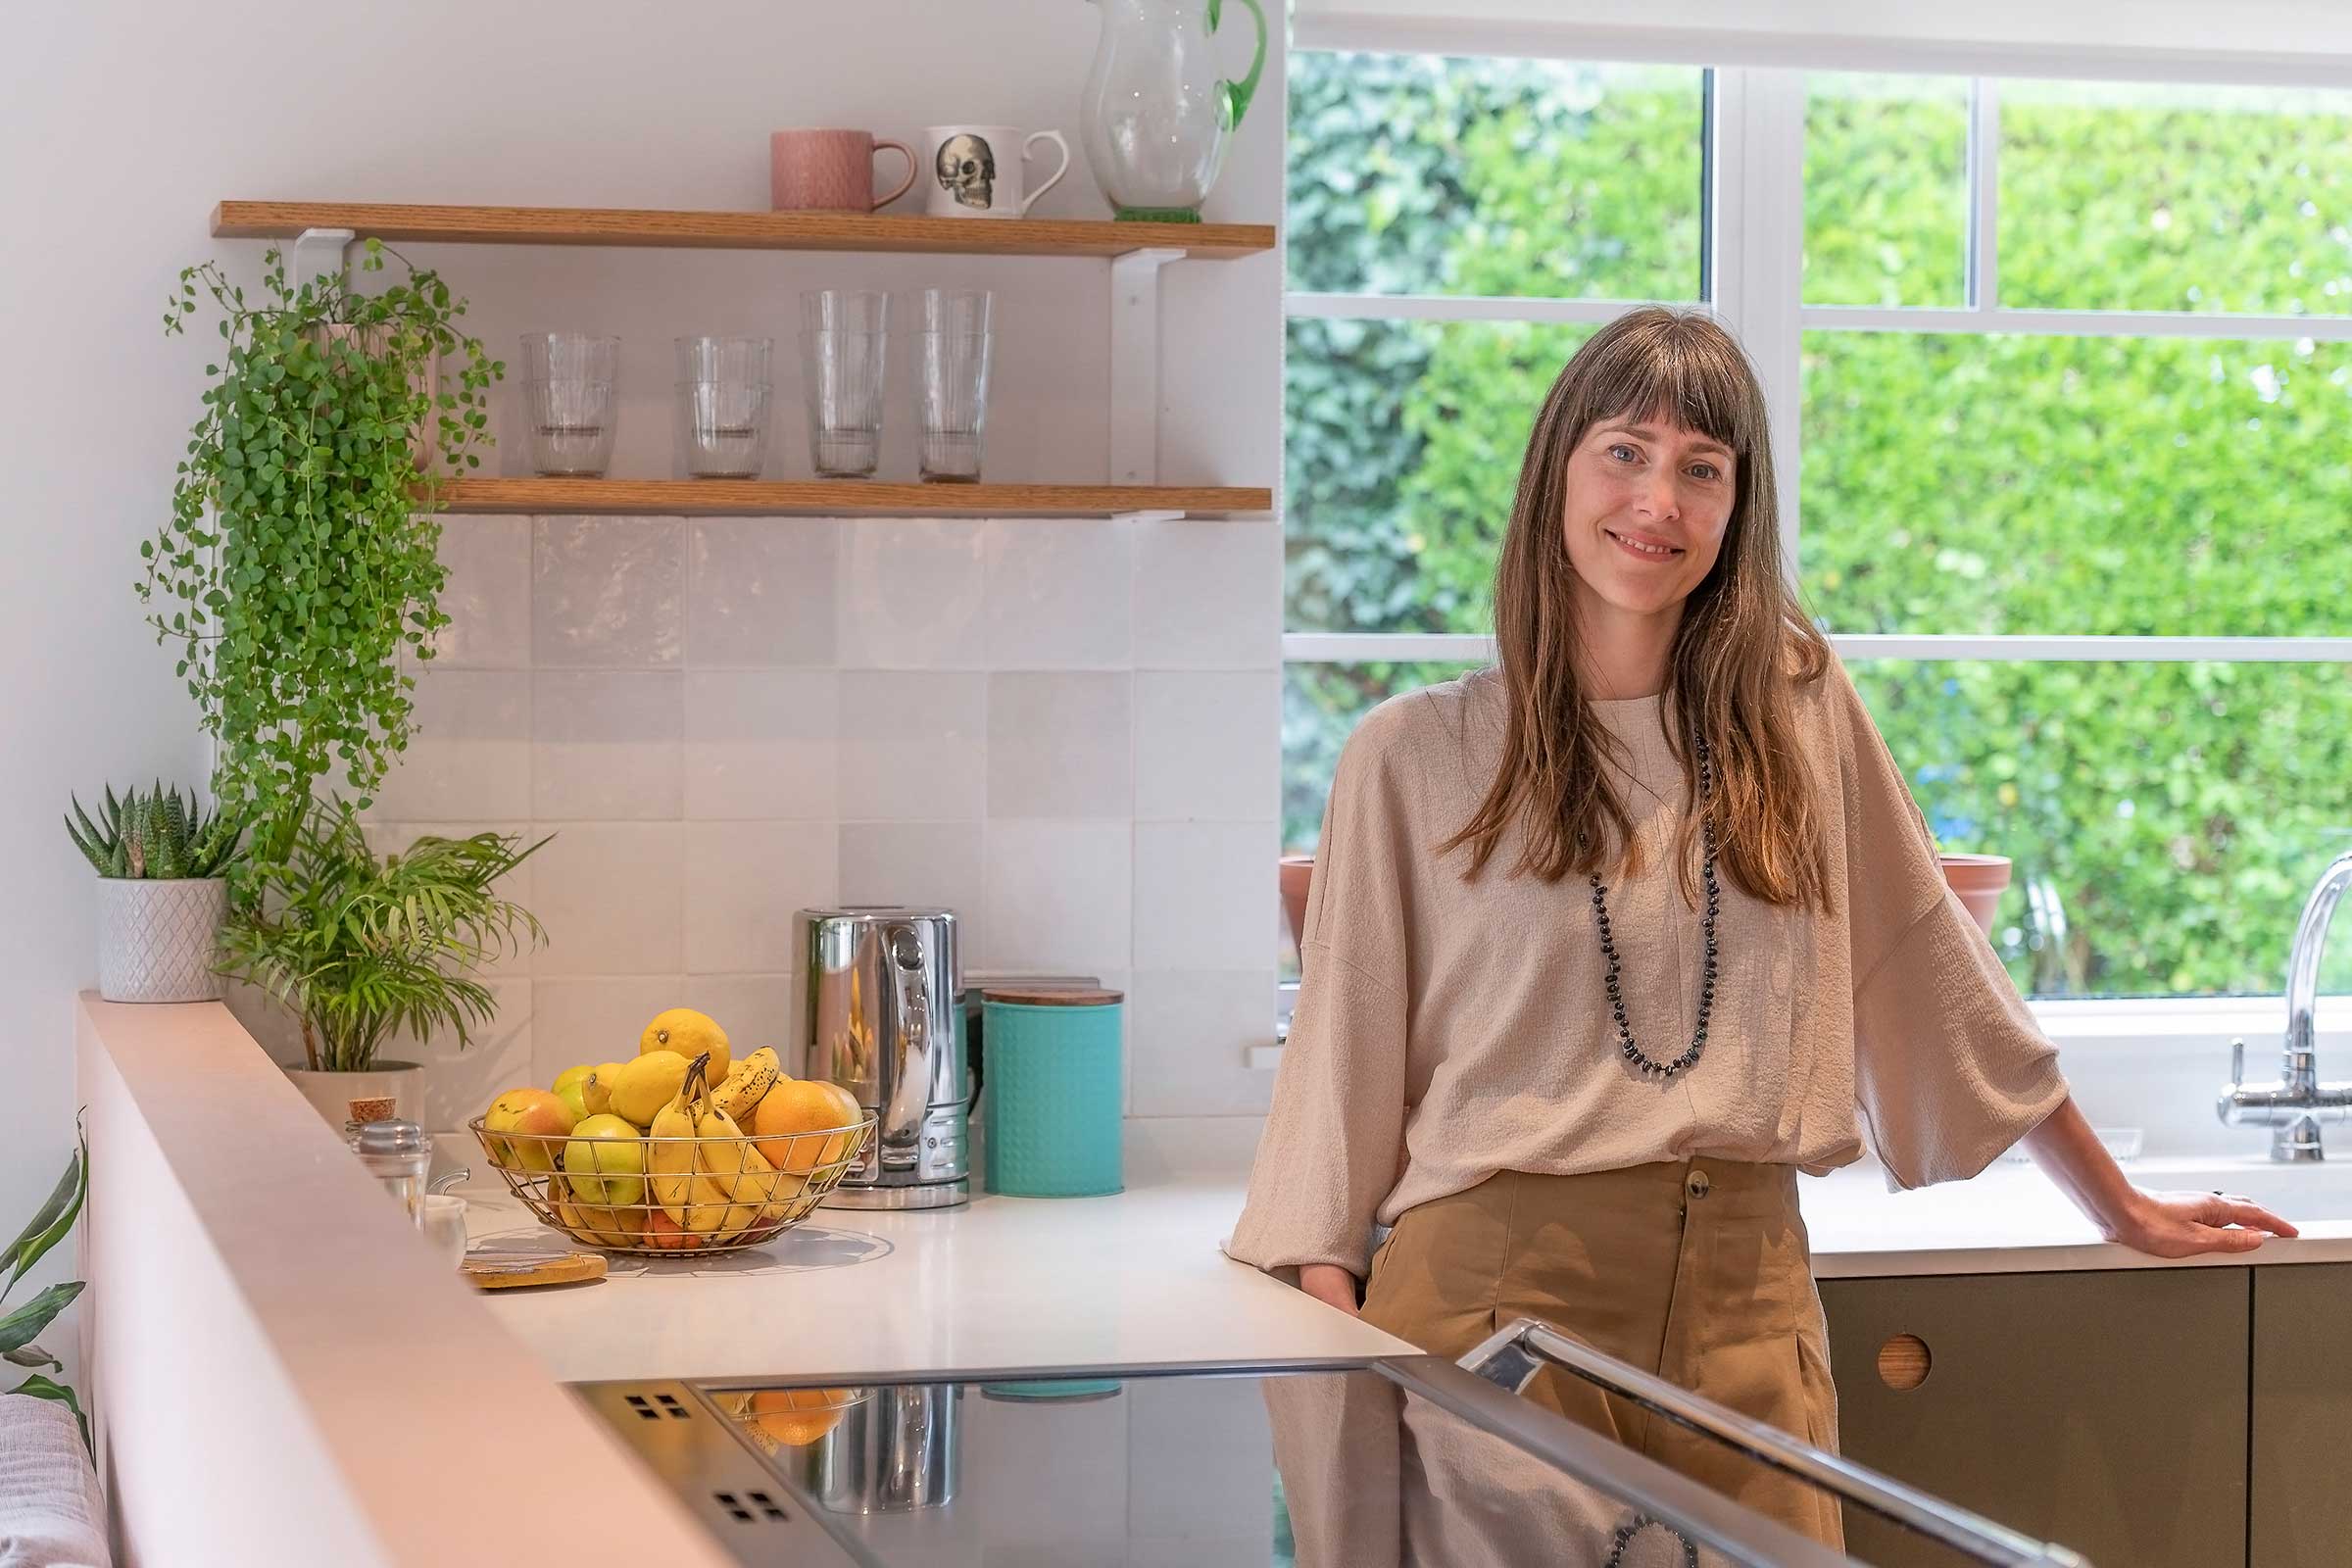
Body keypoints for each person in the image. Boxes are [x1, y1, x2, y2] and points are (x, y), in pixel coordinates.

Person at [1227, 305, 2297, 1549]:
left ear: (1737, 511)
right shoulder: (1411, 757)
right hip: (1495, 1308)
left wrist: (2121, 1205)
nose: (1658, 503)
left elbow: (1931, 968)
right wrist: (1344, 1384)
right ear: (1555, 475)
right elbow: (1335, 1094)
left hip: (1753, 1302)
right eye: (1624, 452)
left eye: (1702, 470)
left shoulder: (1797, 718)